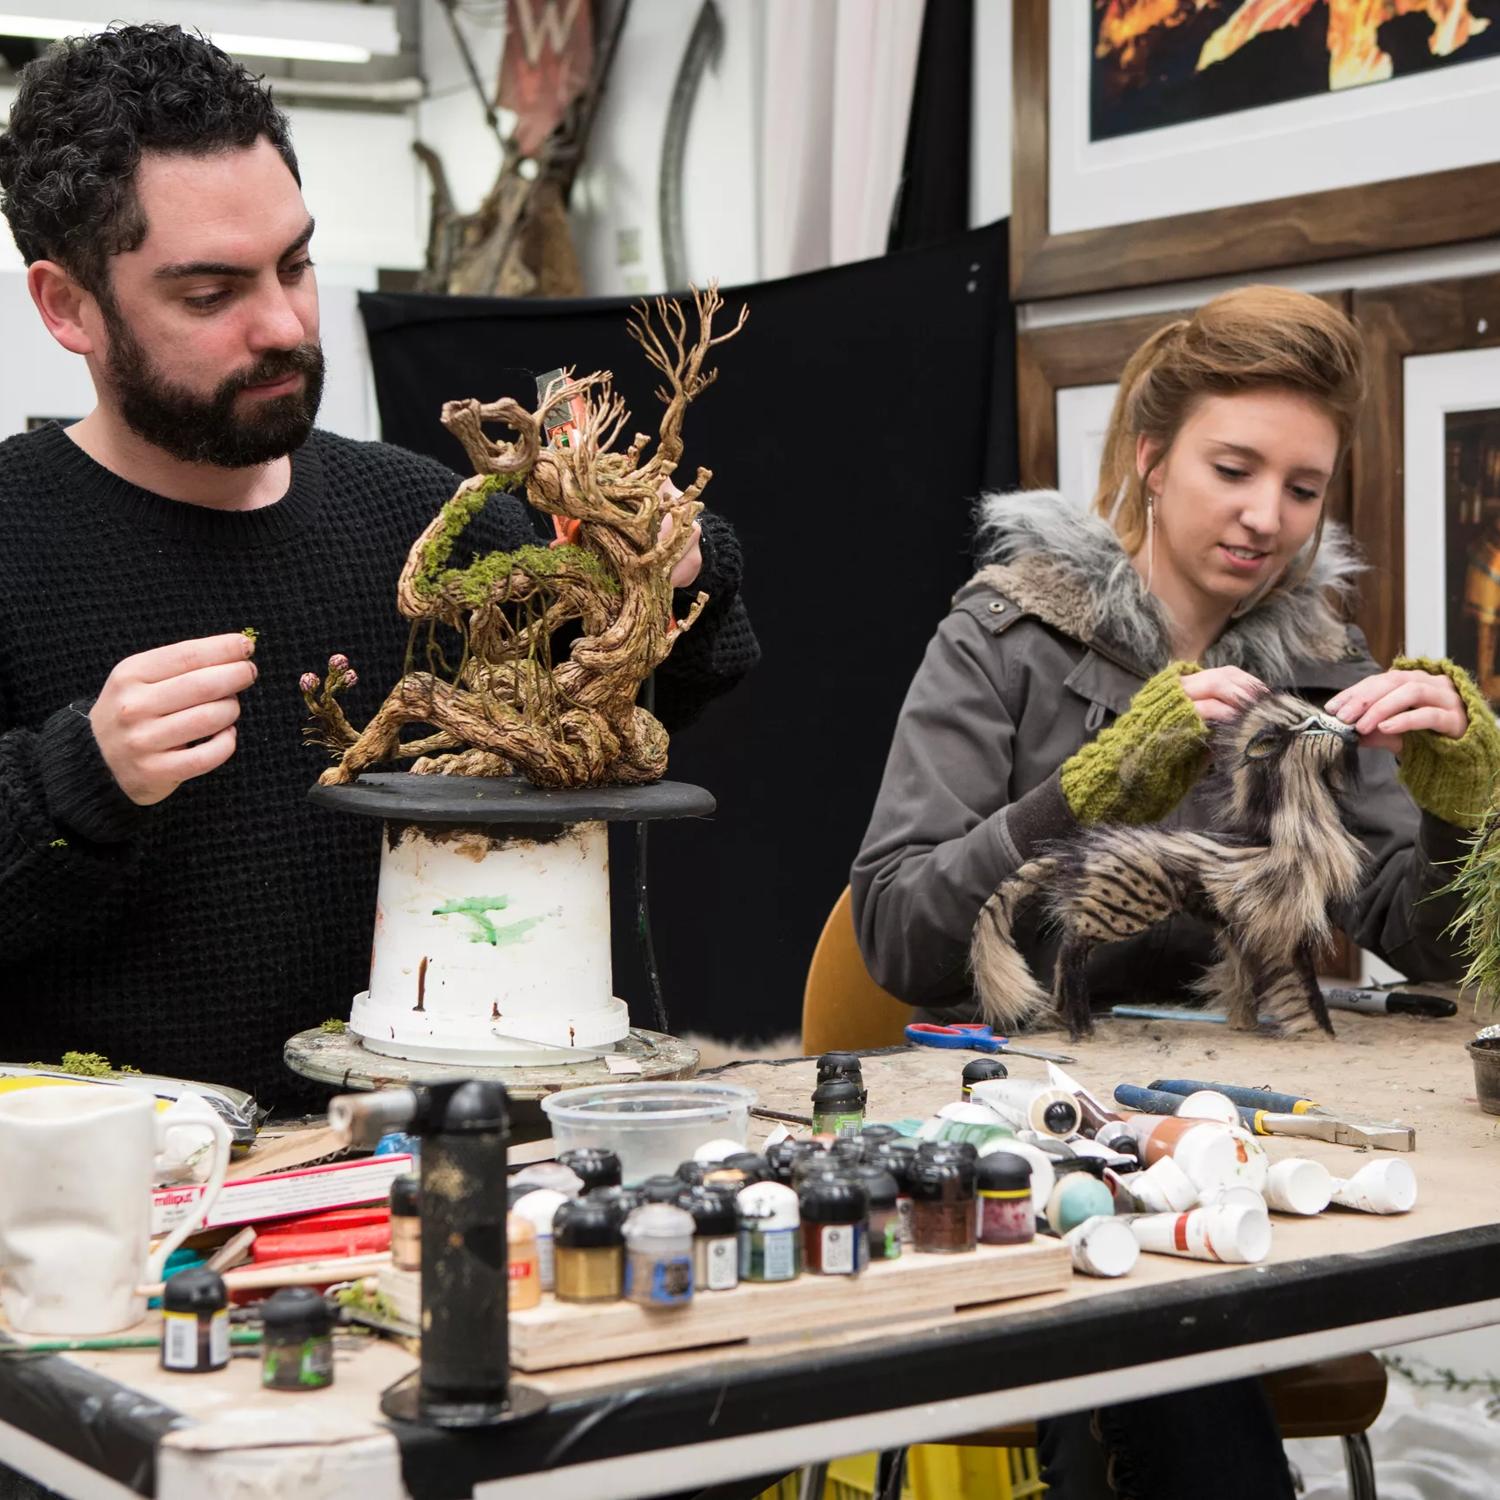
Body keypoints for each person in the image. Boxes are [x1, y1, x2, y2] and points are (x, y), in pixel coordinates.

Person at [0, 25, 758, 1108]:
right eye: (210, 295)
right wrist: (74, 782)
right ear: (66, 306)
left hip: (441, 1166)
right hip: (140, 1208)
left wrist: (674, 567)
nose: (285, 325)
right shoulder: (14, 536)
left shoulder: (422, 516)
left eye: (296, 265)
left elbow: (647, 702)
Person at [850, 286, 1500, 1497]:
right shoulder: (1004, 641)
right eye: (1234, 470)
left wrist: (1464, 802)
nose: (1267, 519)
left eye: (1303, 490)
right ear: (1152, 460)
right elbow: (896, 933)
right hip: (1036, 1139)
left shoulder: (1317, 675)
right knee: (1165, 1344)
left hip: (1248, 1148)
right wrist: (1086, 792)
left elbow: (1427, 949)